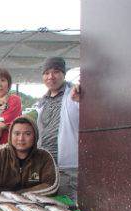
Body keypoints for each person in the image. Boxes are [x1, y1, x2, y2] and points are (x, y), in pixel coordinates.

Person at [0, 116, 59, 195]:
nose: (21, 138)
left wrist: (19, 195)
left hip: (35, 204)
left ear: (35, 136)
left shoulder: (44, 157)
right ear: (10, 135)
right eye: (17, 134)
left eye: (27, 134)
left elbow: (51, 185)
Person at [36, 57, 80, 201]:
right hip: (46, 165)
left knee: (68, 206)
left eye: (56, 72)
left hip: (66, 168)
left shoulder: (74, 94)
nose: (51, 77)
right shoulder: (43, 101)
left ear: (63, 74)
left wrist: (80, 96)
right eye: (47, 73)